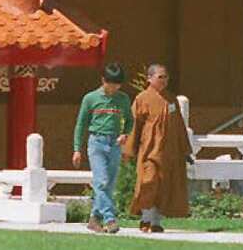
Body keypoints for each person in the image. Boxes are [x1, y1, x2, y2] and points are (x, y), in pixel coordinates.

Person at [123, 63, 193, 233]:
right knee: (149, 183)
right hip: (149, 152)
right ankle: (145, 219)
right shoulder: (141, 99)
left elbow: (179, 126)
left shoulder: (171, 99)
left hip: (169, 153)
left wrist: (185, 151)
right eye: (160, 77)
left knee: (163, 187)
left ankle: (155, 222)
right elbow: (133, 126)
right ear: (149, 78)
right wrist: (128, 150)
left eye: (166, 77)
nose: (164, 80)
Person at [72, 62, 133, 234]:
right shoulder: (90, 98)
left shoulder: (123, 99)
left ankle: (94, 218)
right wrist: (77, 149)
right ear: (103, 80)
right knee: (101, 182)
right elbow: (80, 124)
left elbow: (129, 120)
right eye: (110, 83)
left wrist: (125, 134)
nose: (113, 88)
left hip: (114, 144)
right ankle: (110, 218)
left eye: (117, 84)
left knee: (109, 185)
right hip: (96, 143)